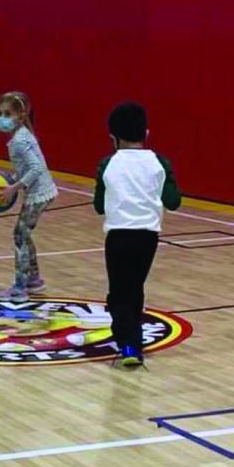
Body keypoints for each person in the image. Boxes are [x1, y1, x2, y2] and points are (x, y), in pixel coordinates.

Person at [93, 102, 182, 367]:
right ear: (146, 133)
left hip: (119, 235)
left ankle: (130, 345)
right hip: (148, 237)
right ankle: (132, 338)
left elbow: (99, 206)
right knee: (134, 288)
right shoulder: (160, 162)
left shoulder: (107, 163)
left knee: (119, 293)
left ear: (113, 138)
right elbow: (173, 201)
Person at [0, 91, 58, 303]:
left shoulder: (20, 140)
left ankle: (21, 288)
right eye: (0, 113)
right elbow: (26, 167)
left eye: (7, 113)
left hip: (39, 194)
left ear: (20, 116)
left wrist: (15, 188)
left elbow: (37, 167)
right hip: (39, 191)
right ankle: (34, 280)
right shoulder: (20, 136)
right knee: (24, 234)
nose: (2, 118)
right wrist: (12, 179)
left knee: (20, 235)